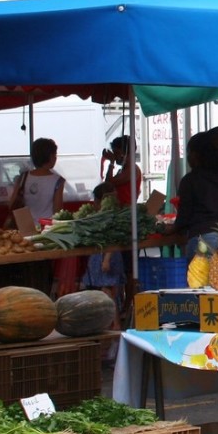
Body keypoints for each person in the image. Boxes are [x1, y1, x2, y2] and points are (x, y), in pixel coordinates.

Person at [160, 130, 218, 261]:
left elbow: (184, 215)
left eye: (189, 153)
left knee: (200, 281)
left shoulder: (190, 180)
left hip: (202, 239)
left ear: (196, 155)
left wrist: (171, 229)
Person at [81, 183, 125, 341]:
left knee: (108, 290)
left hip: (106, 258)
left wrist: (106, 259)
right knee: (107, 290)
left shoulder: (109, 218)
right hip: (103, 257)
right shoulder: (107, 216)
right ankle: (111, 322)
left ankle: (116, 323)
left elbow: (111, 241)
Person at [10, 137, 65, 226]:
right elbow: (57, 211)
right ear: (51, 157)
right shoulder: (58, 181)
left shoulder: (23, 177)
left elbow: (12, 203)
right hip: (46, 229)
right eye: (55, 154)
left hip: (25, 227)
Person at [103, 135, 143, 206]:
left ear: (125, 153)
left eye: (117, 153)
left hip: (126, 209)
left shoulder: (132, 170)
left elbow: (109, 183)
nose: (114, 156)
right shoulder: (124, 169)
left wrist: (111, 162)